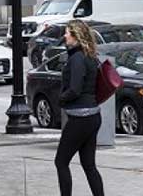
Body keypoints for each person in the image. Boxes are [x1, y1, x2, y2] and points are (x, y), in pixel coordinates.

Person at [54, 19, 105, 196]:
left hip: (80, 118)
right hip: (92, 116)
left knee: (61, 161)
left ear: (76, 36)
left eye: (67, 32)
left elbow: (75, 89)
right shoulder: (90, 56)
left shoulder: (77, 59)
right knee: (89, 164)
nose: (64, 35)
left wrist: (61, 99)